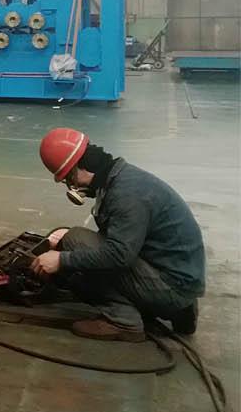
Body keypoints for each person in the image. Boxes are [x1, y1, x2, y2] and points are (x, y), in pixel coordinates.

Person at [29, 127, 205, 342]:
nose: (73, 186)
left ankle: (124, 321)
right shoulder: (122, 177)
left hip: (171, 287)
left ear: (80, 167)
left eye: (69, 178)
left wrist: (62, 260)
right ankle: (179, 311)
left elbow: (119, 256)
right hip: (178, 277)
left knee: (77, 254)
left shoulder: (125, 195)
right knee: (73, 240)